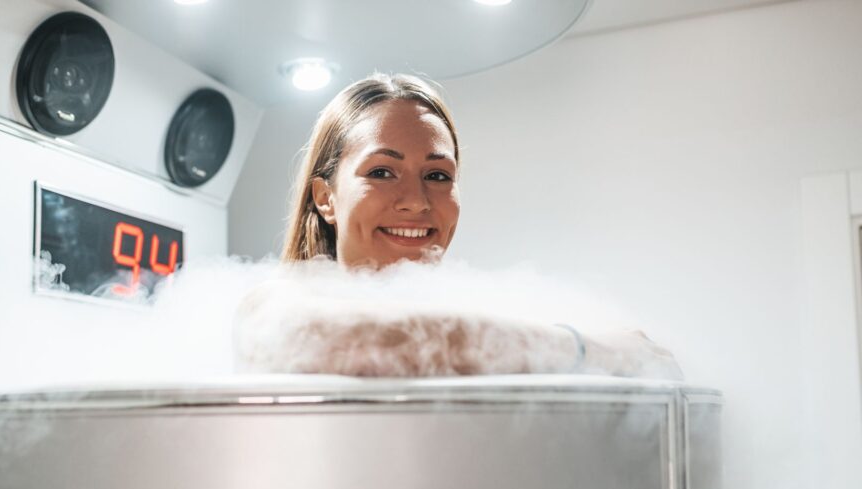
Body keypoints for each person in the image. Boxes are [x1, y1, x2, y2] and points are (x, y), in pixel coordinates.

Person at [235, 73, 682, 380]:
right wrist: (595, 351)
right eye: (382, 172)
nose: (415, 201)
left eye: (437, 176)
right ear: (325, 198)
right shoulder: (278, 300)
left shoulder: (488, 315)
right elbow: (365, 344)